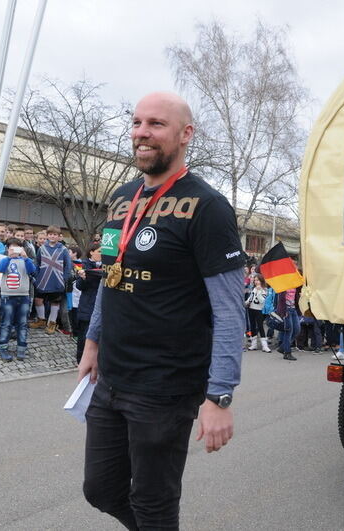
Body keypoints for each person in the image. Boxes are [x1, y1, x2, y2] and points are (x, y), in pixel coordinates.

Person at [78, 91, 246, 530]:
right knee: (101, 489)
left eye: (155, 124)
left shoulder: (208, 207)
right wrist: (94, 341)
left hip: (166, 387)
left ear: (185, 134)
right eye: (136, 123)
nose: (141, 134)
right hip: (111, 378)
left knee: (154, 504)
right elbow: (111, 275)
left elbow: (230, 312)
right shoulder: (121, 199)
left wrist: (220, 396)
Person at [0, 239, 36, 361]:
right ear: (8, 249)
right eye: (12, 248)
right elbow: (0, 269)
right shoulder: (5, 260)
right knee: (6, 323)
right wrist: (9, 257)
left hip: (23, 296)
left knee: (22, 323)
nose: (14, 251)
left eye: (17, 248)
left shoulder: (25, 261)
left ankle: (21, 348)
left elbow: (32, 271)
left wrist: (26, 257)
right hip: (7, 296)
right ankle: (3, 347)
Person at [30, 226, 71, 335]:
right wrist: (37, 277)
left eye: (55, 234)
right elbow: (37, 263)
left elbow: (68, 266)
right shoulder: (42, 248)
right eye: (50, 234)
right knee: (38, 300)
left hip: (57, 280)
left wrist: (64, 279)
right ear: (47, 235)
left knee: (55, 302)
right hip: (43, 280)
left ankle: (52, 323)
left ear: (58, 236)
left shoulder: (63, 249)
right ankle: (41, 320)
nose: (52, 236)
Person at [73, 243, 101, 363]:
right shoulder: (83, 265)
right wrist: (83, 278)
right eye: (100, 251)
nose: (102, 254)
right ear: (92, 252)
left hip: (102, 305)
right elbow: (79, 286)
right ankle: (80, 360)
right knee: (84, 336)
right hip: (87, 305)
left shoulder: (108, 265)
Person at [245, 275, 271, 352]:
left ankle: (264, 346)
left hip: (259, 310)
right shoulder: (254, 289)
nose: (256, 282)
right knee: (252, 326)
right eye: (255, 280)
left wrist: (259, 292)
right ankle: (254, 345)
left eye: (258, 280)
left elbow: (262, 301)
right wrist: (245, 303)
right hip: (251, 309)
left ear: (261, 281)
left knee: (260, 326)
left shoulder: (265, 290)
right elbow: (251, 298)